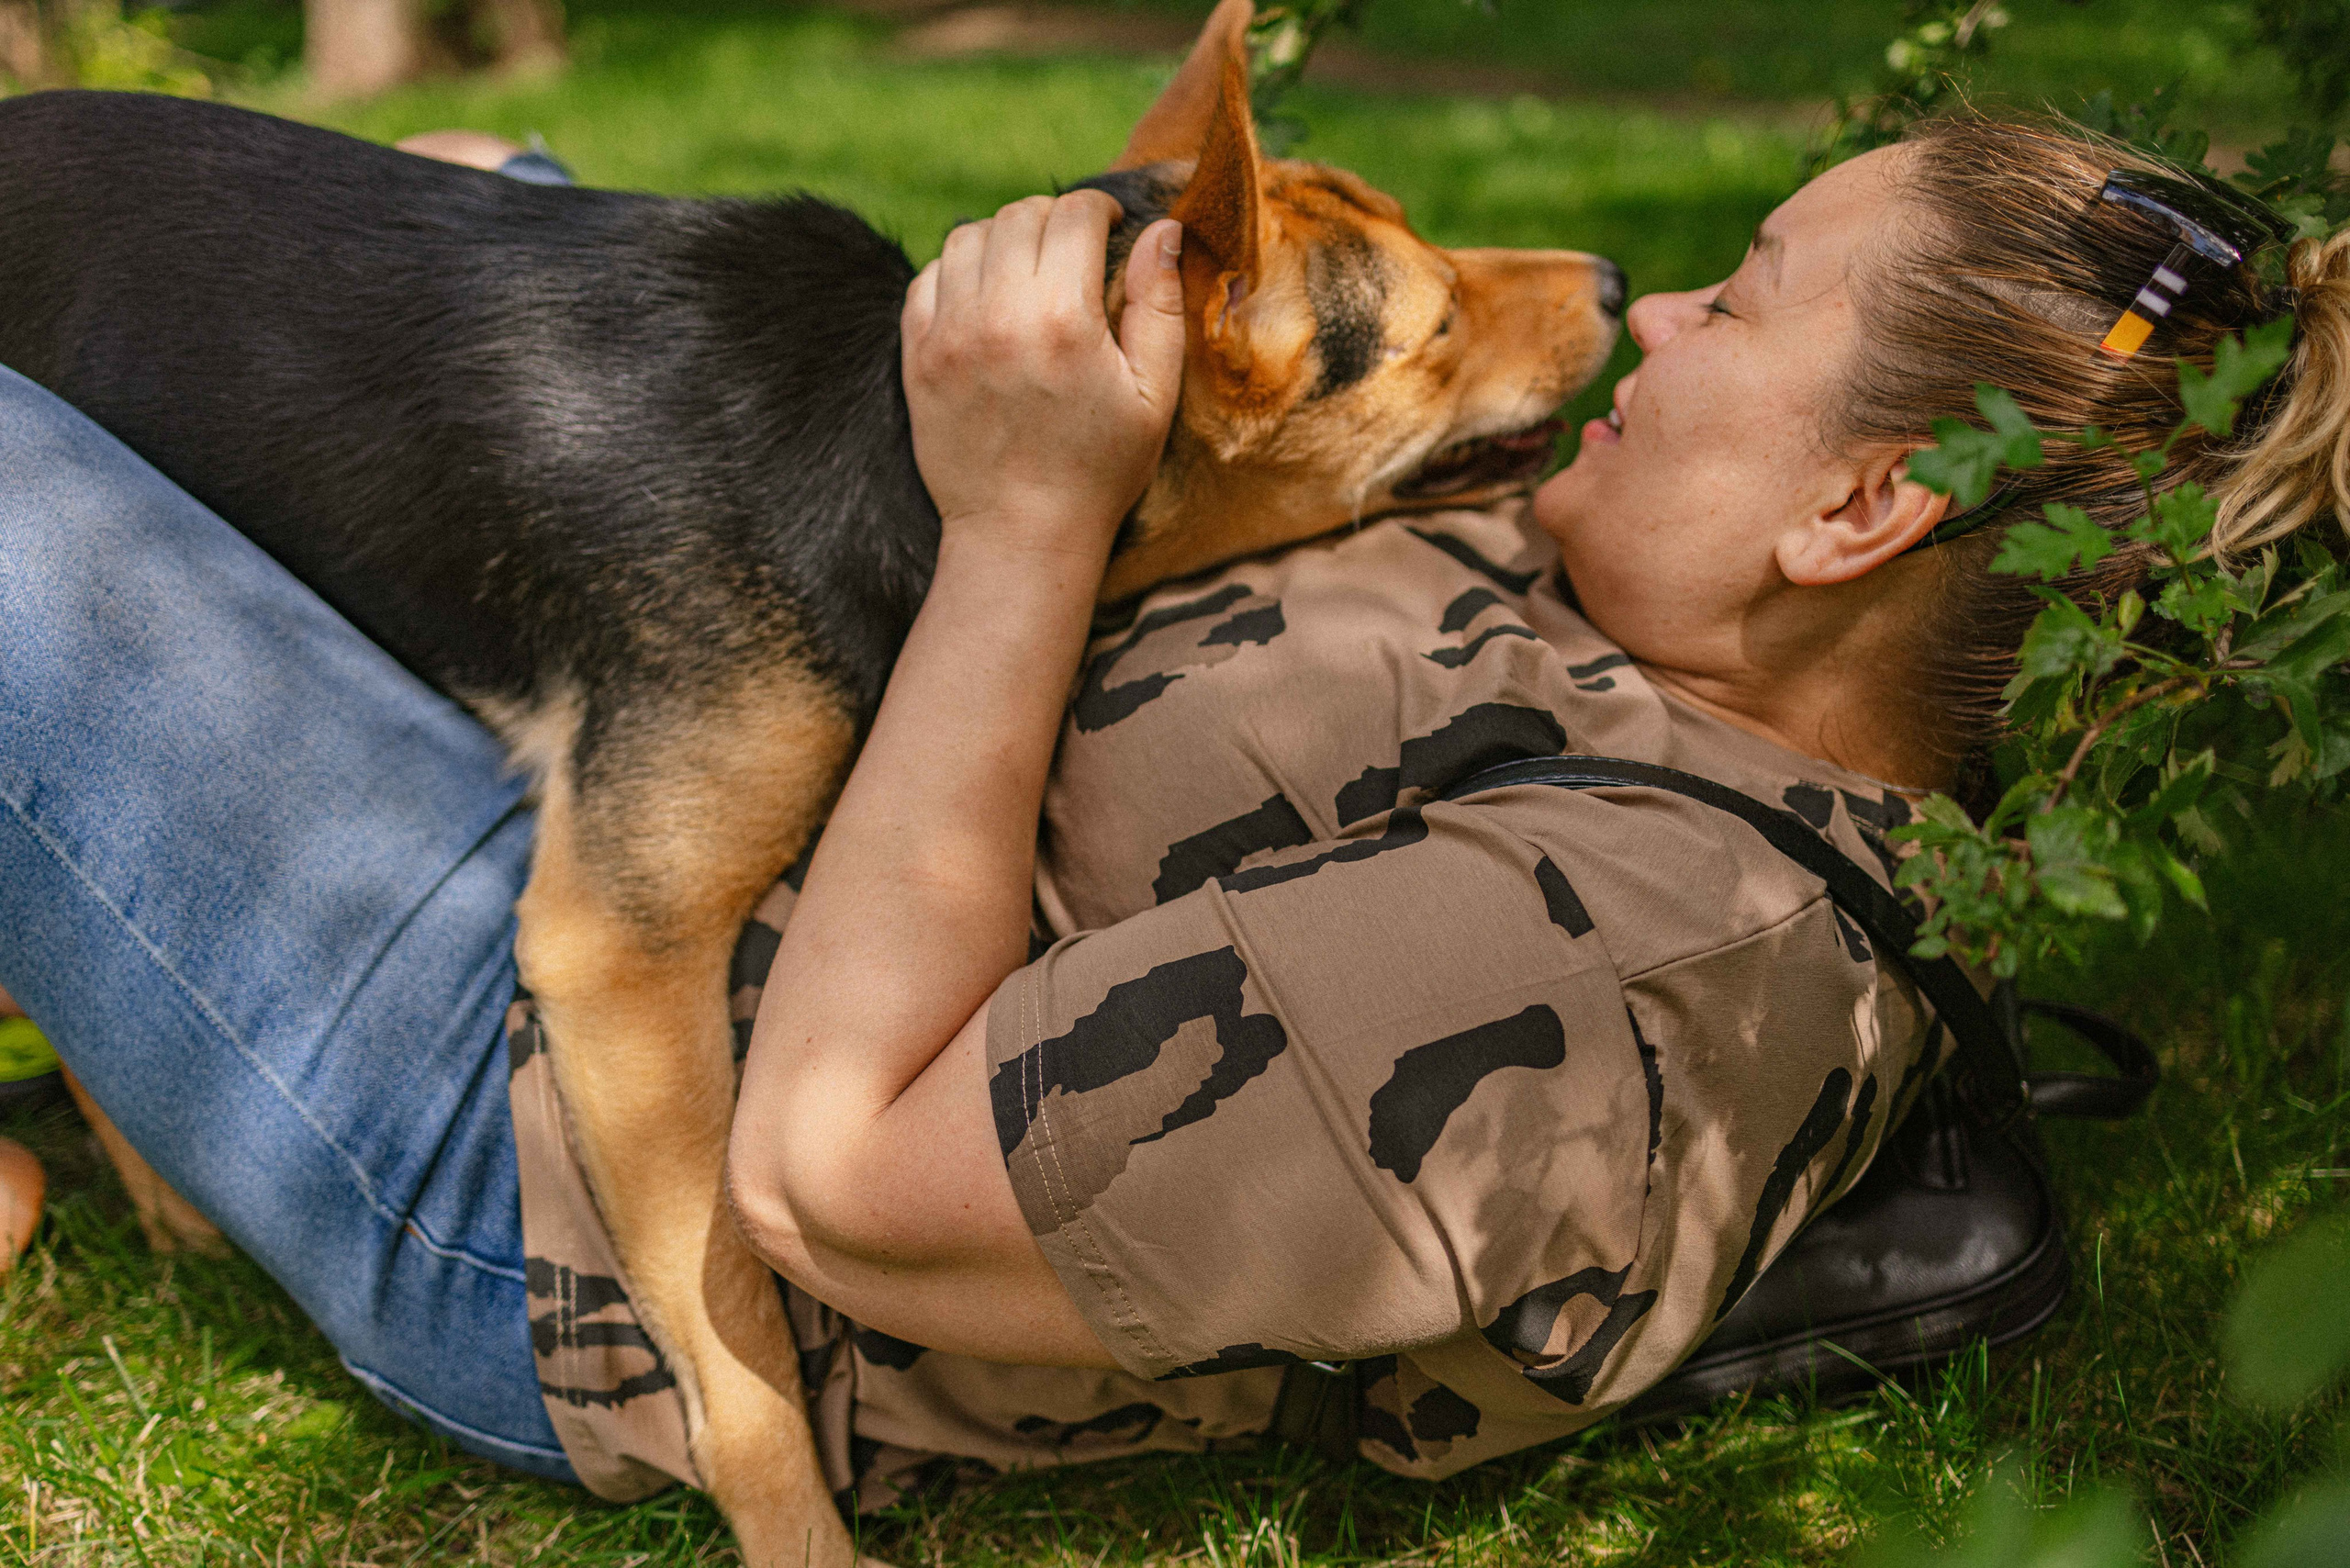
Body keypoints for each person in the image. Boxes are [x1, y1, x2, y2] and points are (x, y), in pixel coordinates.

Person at [2, 115, 2344, 1514]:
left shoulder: (1592, 980)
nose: (1648, 316)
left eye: (1734, 305)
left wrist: (1023, 540)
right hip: (658, 801)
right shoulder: (1651, 620)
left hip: (541, 1169)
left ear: (1864, 506)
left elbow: (824, 1179)